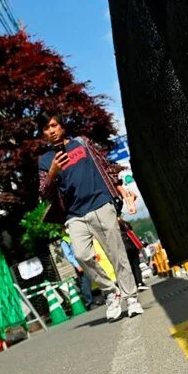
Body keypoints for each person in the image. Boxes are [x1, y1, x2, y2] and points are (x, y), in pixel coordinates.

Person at [37, 112, 142, 321]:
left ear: (62, 127)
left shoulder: (81, 143)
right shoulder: (45, 160)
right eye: (47, 128)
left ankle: (131, 298)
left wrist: (124, 192)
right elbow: (43, 192)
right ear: (43, 134)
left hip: (101, 204)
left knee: (117, 254)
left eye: (54, 125)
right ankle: (111, 292)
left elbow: (106, 167)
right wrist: (52, 171)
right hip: (74, 214)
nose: (52, 130)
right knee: (82, 255)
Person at [60, 235, 94, 308]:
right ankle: (89, 302)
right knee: (85, 281)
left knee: (95, 277)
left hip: (88, 258)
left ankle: (99, 297)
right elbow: (68, 255)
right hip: (79, 263)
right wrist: (77, 265)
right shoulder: (65, 240)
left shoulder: (76, 233)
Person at [118, 217, 149, 291]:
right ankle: (139, 282)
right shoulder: (125, 224)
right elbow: (132, 234)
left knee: (129, 267)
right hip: (132, 246)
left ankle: (134, 284)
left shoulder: (113, 226)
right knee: (135, 265)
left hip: (123, 248)